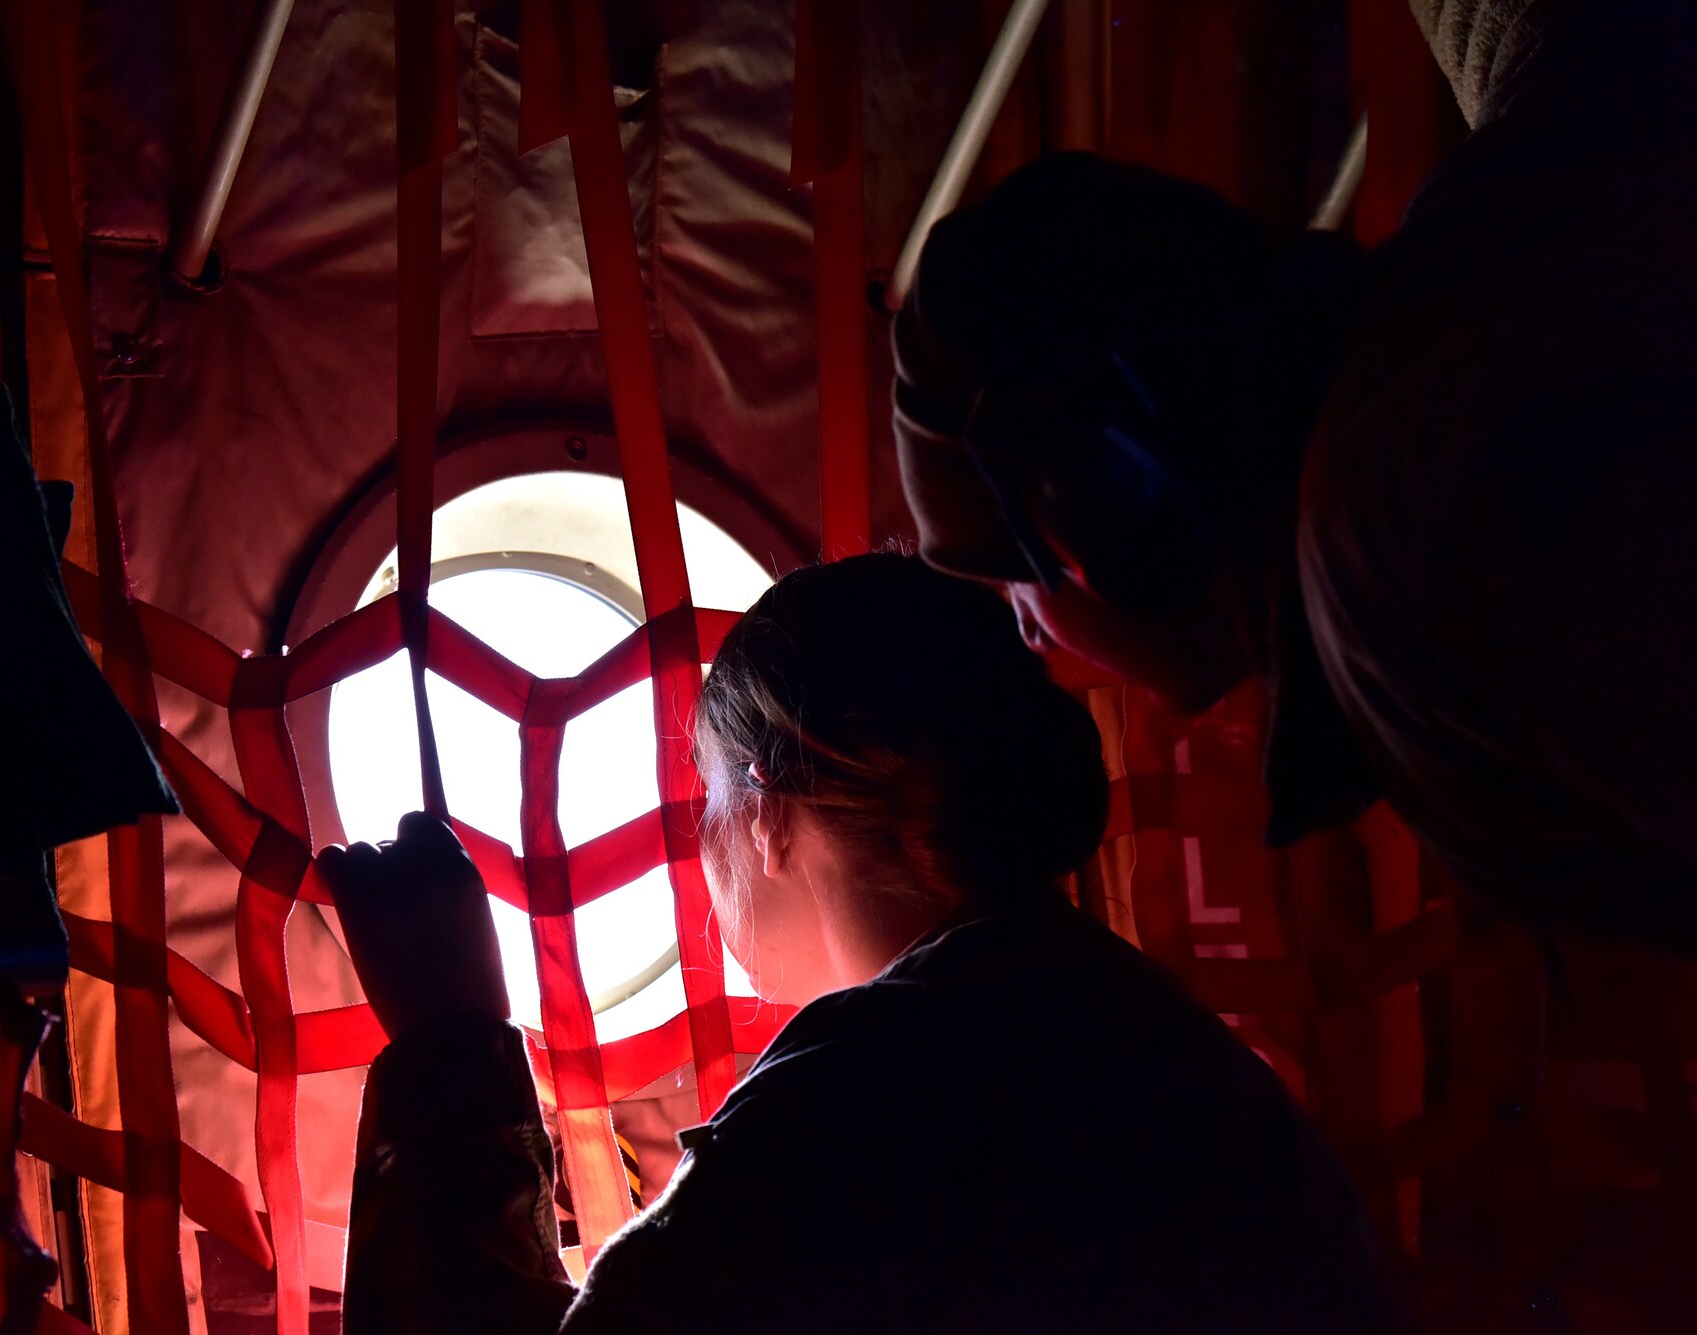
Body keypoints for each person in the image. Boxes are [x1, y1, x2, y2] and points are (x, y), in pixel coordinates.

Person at [323, 553, 1406, 1333]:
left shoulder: (861, 1094)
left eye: (705, 790)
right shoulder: (1134, 1030)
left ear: (764, 813)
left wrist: (449, 1042)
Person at [890, 0, 1697, 949]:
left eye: (1020, 580)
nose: (1031, 633)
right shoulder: (1438, 359)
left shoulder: (1402, 542)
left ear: (1117, 501)